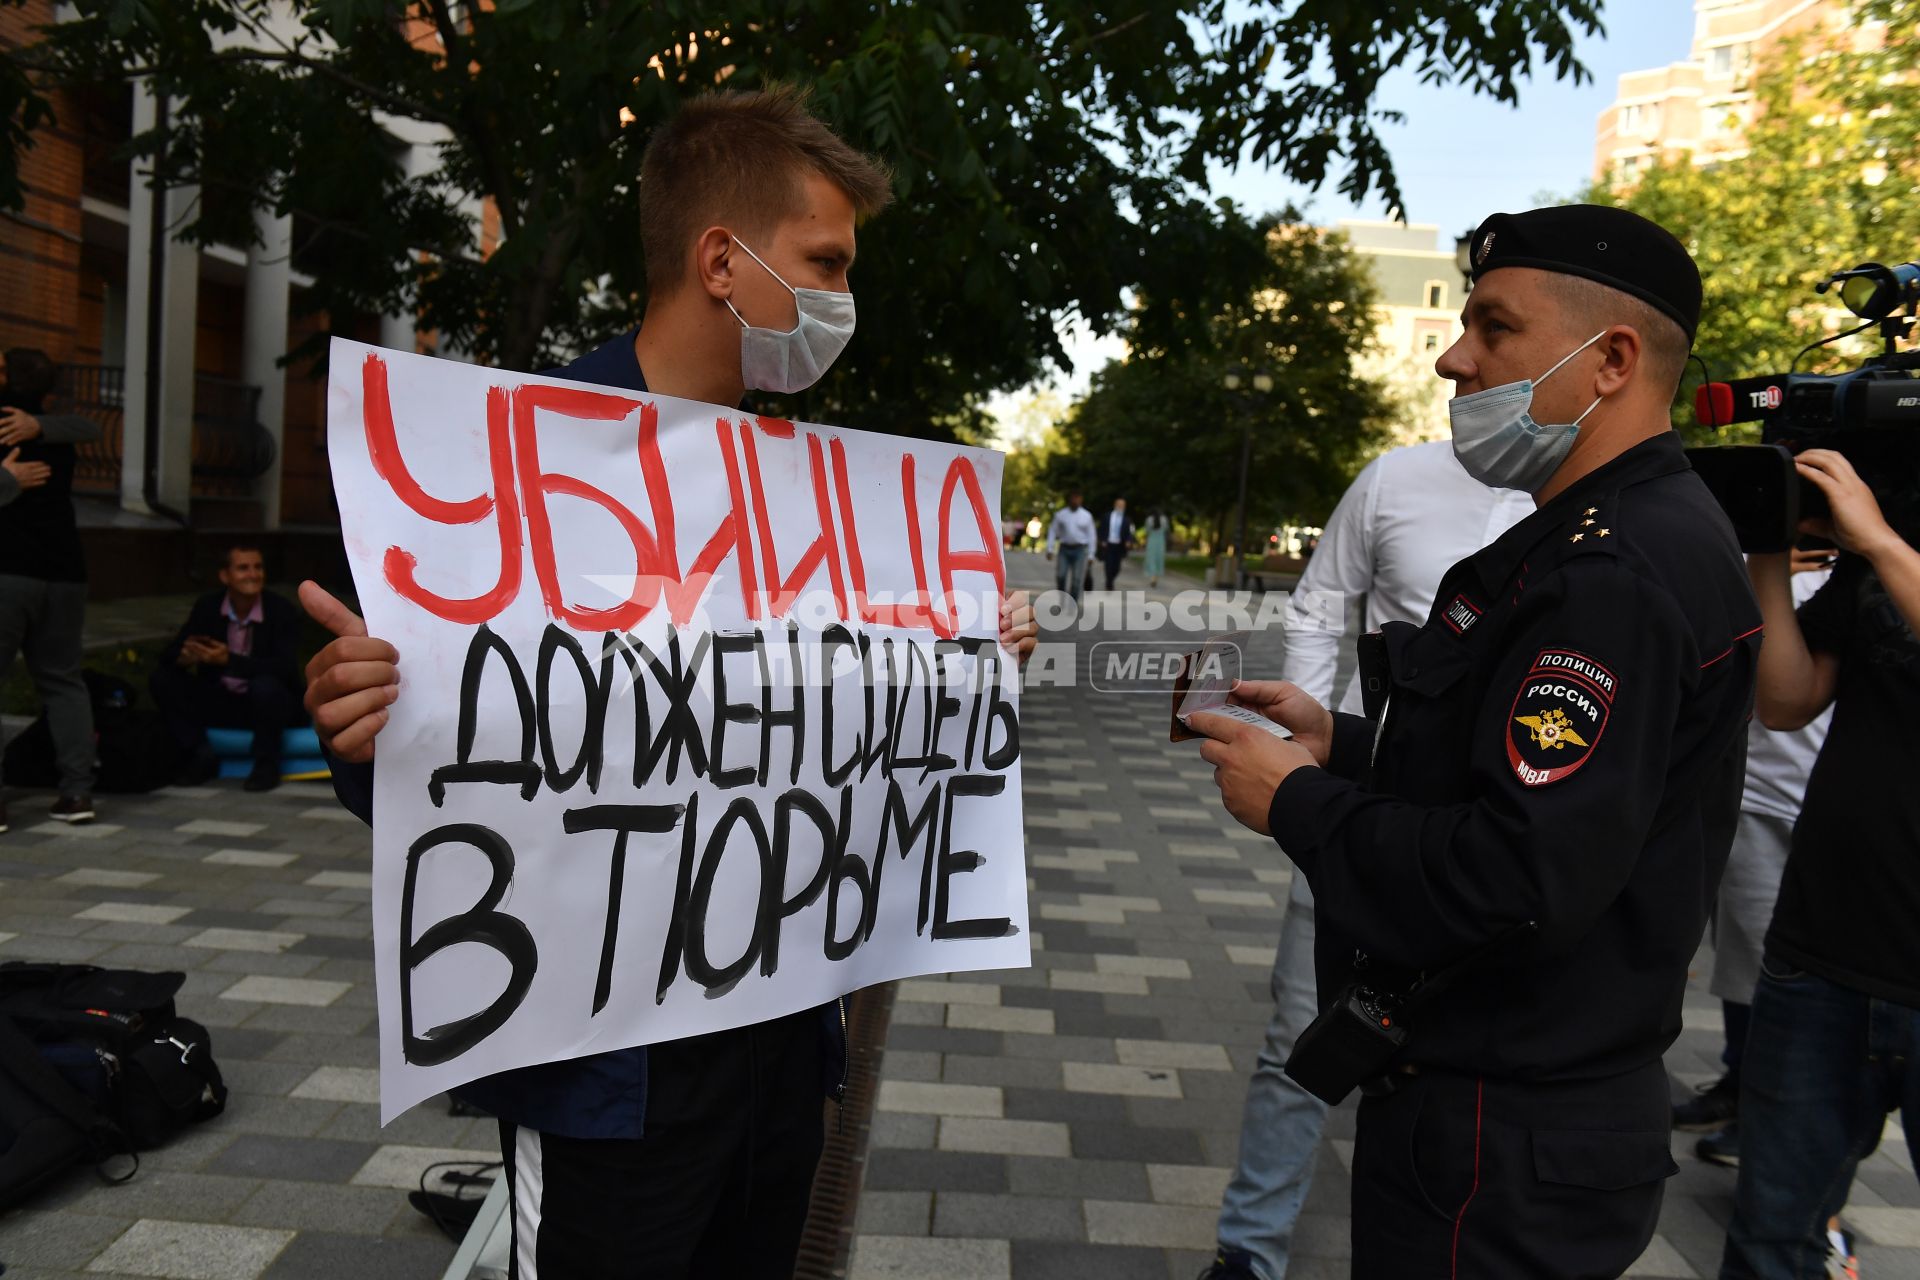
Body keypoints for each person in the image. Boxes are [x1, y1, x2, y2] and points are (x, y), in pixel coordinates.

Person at [296, 87, 1038, 1279]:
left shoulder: (828, 503)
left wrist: (957, 662)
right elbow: (452, 776)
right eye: (826, 262)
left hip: (783, 1043)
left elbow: (827, 733)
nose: (843, 300)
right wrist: (361, 723)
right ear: (721, 260)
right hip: (608, 1072)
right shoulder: (512, 471)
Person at [1191, 205, 1759, 1278]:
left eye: (1495, 327)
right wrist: (1343, 749)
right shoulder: (1604, 536)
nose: (1456, 357)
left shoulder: (1614, 570)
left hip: (1507, 1133)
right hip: (1505, 1112)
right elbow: (1552, 795)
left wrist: (1298, 803)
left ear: (1612, 360)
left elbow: (1516, 874)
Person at [1205, 440, 1530, 1280]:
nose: (1457, 360)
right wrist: (1304, 743)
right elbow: (1320, 601)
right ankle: (1250, 1247)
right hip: (1359, 797)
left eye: (1495, 329)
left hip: (1499, 827)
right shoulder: (1396, 477)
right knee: (1302, 1033)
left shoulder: (1591, 517)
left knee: (1475, 1057)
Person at [1718, 451, 1920, 1279]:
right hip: (1824, 957)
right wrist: (1766, 551)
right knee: (1771, 1244)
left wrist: (1877, 542)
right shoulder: (1896, 528)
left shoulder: (1885, 542)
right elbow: (1787, 699)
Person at [1677, 546, 1833, 1166]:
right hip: (1760, 789)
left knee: (1806, 976)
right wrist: (1762, 562)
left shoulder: (1878, 560)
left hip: (1833, 802)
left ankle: (1780, 1122)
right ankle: (1745, 1093)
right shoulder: (1750, 558)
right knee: (1751, 964)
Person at [0, 347, 102, 830]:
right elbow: (90, 428)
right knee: (63, 680)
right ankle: (77, 792)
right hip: (65, 572)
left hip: (10, 572)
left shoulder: (16, 422)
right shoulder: (55, 429)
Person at [149, 545, 306, 792]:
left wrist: (229, 660)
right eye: (243, 568)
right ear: (225, 576)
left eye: (258, 567)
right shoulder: (208, 607)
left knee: (265, 686)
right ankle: (199, 753)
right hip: (222, 699)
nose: (253, 574)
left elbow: (285, 668)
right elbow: (170, 653)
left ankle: (266, 765)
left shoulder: (280, 610)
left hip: (269, 706)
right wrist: (185, 657)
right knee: (163, 678)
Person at [1047, 489, 1096, 605]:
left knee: (1077, 579)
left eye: (1077, 498)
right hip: (1064, 549)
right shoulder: (1061, 515)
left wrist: (1091, 554)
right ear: (1069, 499)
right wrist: (1050, 548)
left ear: (1081, 500)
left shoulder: (1086, 516)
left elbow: (1091, 536)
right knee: (1061, 575)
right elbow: (1053, 531)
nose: (1075, 500)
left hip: (1080, 550)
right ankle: (1062, 598)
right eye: (1073, 498)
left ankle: (1073, 602)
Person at [1097, 496, 1135, 591]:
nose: (1121, 507)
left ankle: (1110, 580)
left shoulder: (1127, 520)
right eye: (1119, 505)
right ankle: (1109, 583)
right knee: (1108, 565)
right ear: (1115, 505)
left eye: (1123, 505)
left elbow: (1129, 533)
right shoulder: (1107, 516)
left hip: (1119, 546)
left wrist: (1128, 541)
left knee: (1116, 567)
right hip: (1108, 544)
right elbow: (1101, 529)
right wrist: (1102, 540)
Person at [1142, 509, 1169, 587]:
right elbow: (1166, 529)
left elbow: (1147, 530)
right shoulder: (1164, 519)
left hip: (1152, 541)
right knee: (1159, 559)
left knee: (1151, 559)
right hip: (1160, 541)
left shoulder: (1149, 520)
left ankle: (1152, 578)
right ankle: (1156, 578)